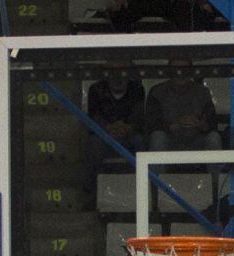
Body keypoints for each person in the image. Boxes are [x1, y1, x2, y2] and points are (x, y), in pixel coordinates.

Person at [84, 67, 145, 202]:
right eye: (113, 72)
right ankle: (92, 195)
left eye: (122, 72)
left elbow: (139, 118)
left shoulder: (137, 89)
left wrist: (128, 127)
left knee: (140, 141)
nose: (118, 77)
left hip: (128, 135)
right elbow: (93, 118)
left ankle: (143, 193)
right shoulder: (96, 89)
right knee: (93, 143)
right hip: (104, 136)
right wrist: (107, 128)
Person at [145, 61, 221, 154]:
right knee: (158, 138)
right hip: (169, 141)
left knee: (214, 138)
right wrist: (172, 126)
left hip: (196, 140)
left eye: (185, 71)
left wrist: (200, 124)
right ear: (169, 72)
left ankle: (215, 169)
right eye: (176, 71)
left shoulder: (202, 92)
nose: (180, 74)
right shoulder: (157, 92)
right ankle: (152, 169)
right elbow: (151, 123)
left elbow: (212, 123)